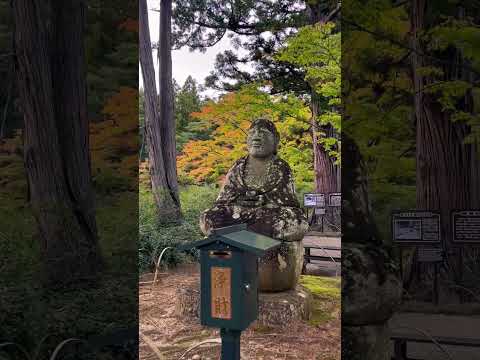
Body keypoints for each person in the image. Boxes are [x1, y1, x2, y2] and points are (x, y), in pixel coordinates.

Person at [199, 118, 308, 242]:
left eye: (263, 133)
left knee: (295, 221)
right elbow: (222, 202)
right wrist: (240, 201)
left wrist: (264, 201)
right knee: (209, 216)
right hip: (240, 214)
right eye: (252, 133)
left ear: (276, 139)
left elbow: (289, 203)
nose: (256, 137)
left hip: (267, 215)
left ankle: (242, 232)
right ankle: (247, 231)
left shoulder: (281, 167)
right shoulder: (238, 166)